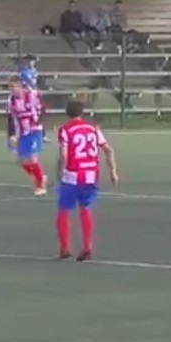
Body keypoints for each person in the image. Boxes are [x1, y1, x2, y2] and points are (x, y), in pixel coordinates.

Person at [55, 99, 119, 261]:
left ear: (67, 113)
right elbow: (108, 151)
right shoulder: (93, 129)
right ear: (82, 113)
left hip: (72, 174)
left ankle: (64, 248)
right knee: (85, 209)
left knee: (64, 210)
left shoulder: (65, 130)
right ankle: (88, 246)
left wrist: (60, 172)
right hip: (91, 174)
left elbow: (64, 154)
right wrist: (113, 172)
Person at [8, 77, 46, 195]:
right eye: (11, 87)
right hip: (23, 132)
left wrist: (38, 123)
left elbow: (43, 110)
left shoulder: (33, 95)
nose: (14, 89)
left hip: (35, 130)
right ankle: (40, 176)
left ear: (21, 86)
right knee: (21, 161)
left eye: (16, 86)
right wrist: (13, 135)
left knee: (33, 158)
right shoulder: (11, 101)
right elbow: (12, 119)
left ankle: (40, 186)